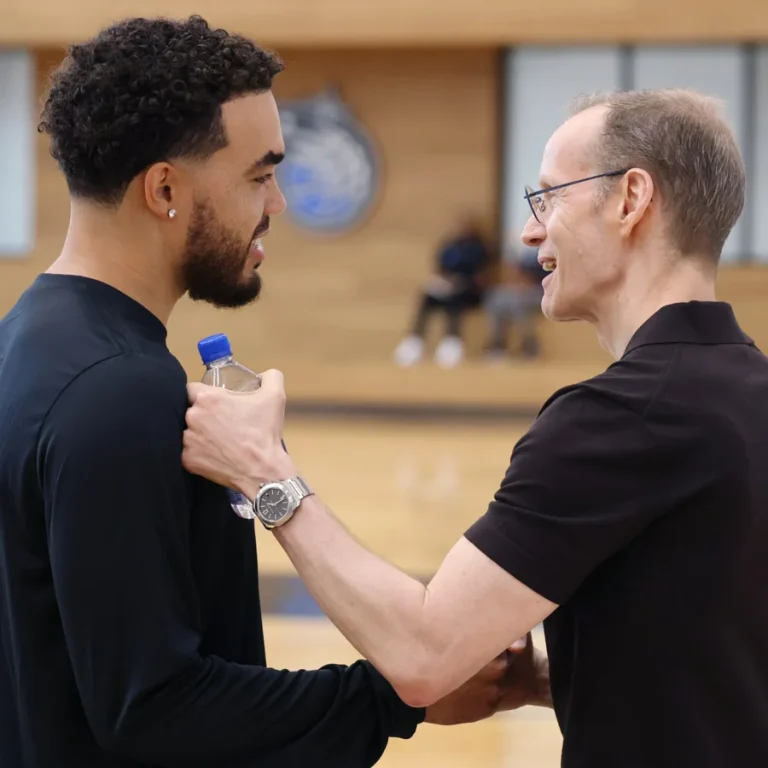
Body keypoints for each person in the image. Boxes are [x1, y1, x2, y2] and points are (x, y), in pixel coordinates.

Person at [0, 16, 537, 768]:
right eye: (259, 176)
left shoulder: (25, 336)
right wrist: (391, 700)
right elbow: (151, 708)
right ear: (164, 188)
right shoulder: (118, 390)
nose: (278, 203)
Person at [183, 88, 768, 768]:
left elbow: (424, 656)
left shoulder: (621, 419)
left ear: (631, 199)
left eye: (549, 197)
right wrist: (556, 677)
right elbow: (719, 653)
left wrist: (263, 472)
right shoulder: (748, 394)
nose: (529, 233)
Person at [393, 218, 491, 368]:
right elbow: (439, 268)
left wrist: (462, 282)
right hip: (446, 286)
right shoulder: (450, 246)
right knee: (427, 298)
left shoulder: (479, 249)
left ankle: (452, 343)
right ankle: (414, 341)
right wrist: (442, 281)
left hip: (469, 291)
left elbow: (483, 275)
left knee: (455, 300)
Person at [483, 242, 545, 360]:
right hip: (526, 289)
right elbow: (521, 273)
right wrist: (520, 284)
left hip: (545, 290)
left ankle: (529, 345)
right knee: (495, 298)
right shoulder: (528, 252)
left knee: (518, 302)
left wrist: (528, 285)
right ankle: (498, 344)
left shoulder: (553, 249)